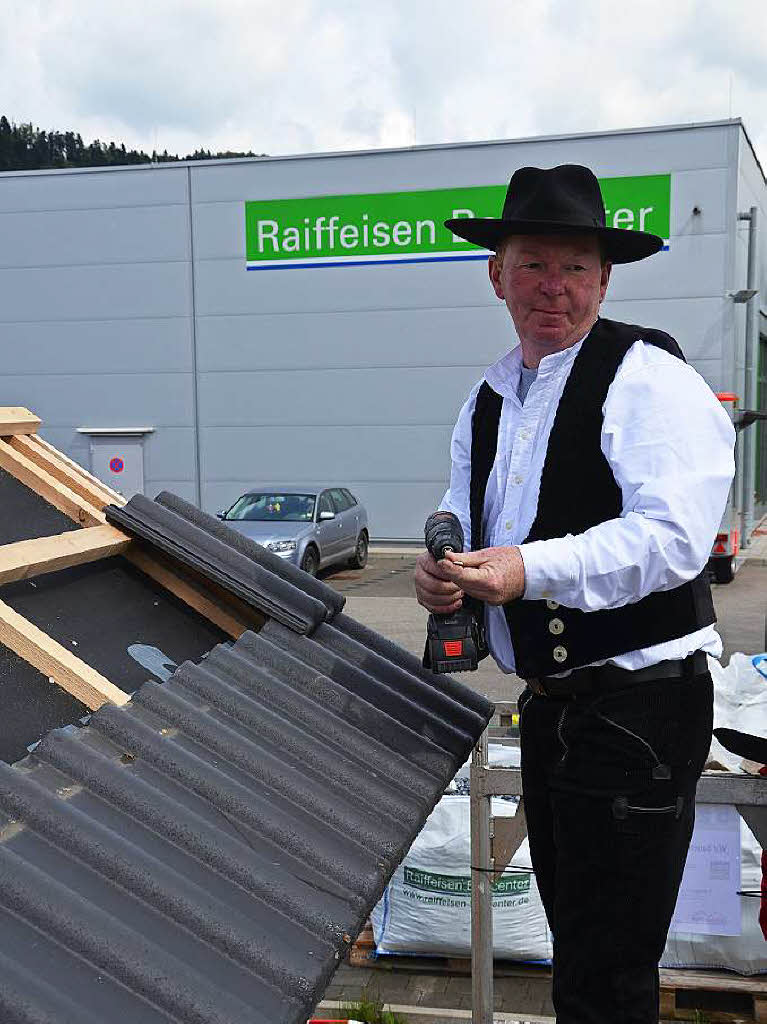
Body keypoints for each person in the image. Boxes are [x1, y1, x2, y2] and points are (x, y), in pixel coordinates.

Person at [414, 164, 735, 1023]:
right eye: (531, 265)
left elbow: (672, 540)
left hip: (641, 708)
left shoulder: (647, 378)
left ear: (603, 278)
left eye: (574, 269)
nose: (552, 288)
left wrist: (524, 569)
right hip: (553, 706)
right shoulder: (488, 396)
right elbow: (461, 503)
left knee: (608, 970)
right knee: (580, 953)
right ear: (496, 274)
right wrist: (444, 565)